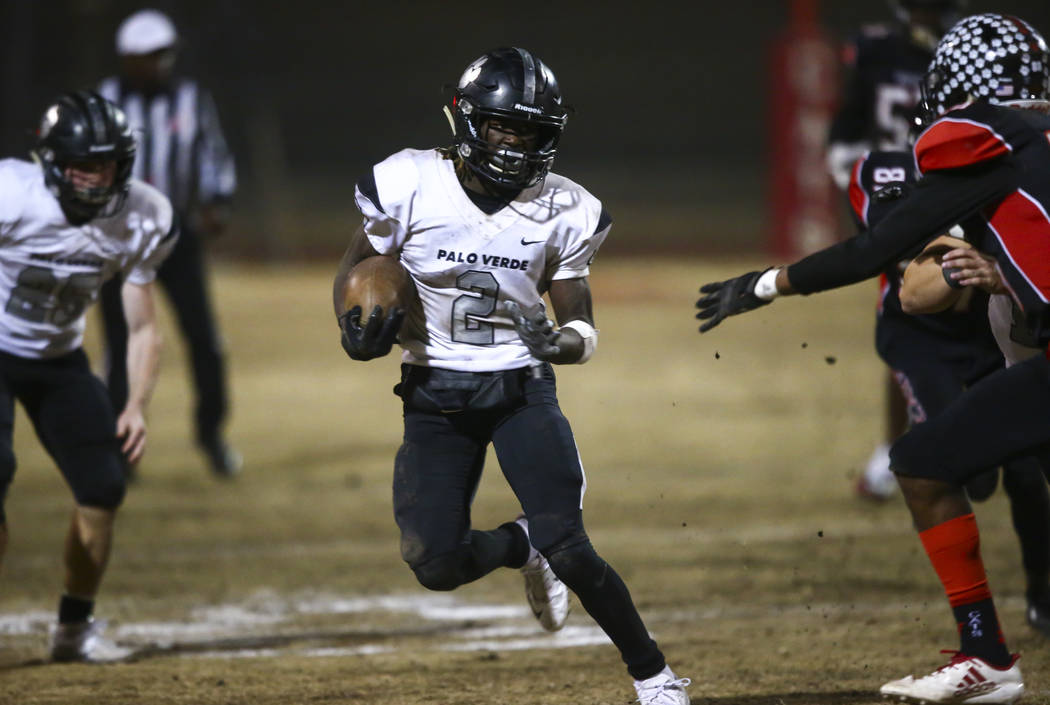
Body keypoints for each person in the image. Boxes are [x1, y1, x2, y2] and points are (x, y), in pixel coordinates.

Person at [697, 13, 1050, 703]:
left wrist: (767, 282)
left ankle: (984, 652)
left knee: (919, 462)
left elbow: (871, 250)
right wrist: (1012, 277)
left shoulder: (987, 143)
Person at [332, 48, 690, 705]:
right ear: (468, 121)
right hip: (434, 393)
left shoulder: (566, 206)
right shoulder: (409, 181)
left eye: (528, 131)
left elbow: (577, 309)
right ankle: (521, 545)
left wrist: (569, 341)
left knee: (573, 546)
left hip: (518, 387)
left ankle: (655, 676)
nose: (513, 144)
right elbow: (357, 271)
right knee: (435, 564)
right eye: (502, 127)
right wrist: (353, 330)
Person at [0, 91, 176, 661]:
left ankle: (73, 632)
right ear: (51, 162)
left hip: (60, 357)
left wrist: (135, 406)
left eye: (108, 164)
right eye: (84, 165)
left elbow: (143, 327)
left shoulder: (144, 214)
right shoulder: (11, 195)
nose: (98, 179)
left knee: (103, 486)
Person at [849, 148, 1050, 637]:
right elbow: (913, 291)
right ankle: (984, 638)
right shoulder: (890, 170)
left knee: (1025, 469)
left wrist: (1003, 269)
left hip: (991, 337)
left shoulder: (1018, 171)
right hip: (922, 340)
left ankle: (1042, 596)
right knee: (966, 474)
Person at [827, 0, 965, 500]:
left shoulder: (968, 49)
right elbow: (846, 131)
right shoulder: (875, 52)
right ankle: (894, 449)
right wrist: (862, 194)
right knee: (907, 316)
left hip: (963, 190)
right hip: (900, 199)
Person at [97, 8, 240, 477]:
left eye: (165, 54)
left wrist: (217, 199)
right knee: (120, 346)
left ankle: (210, 433)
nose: (159, 64)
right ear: (127, 59)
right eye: (149, 56)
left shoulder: (190, 97)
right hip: (119, 239)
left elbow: (212, 153)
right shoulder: (106, 101)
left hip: (176, 236)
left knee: (205, 340)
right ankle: (123, 447)